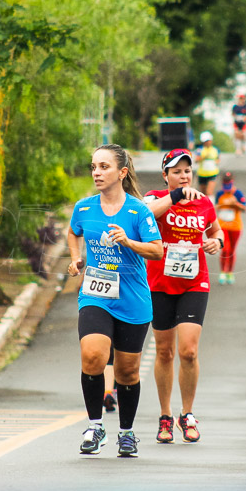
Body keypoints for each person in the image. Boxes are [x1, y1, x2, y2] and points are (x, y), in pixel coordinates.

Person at [67, 144, 163, 458]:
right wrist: (76, 258)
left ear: (121, 172)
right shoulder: (84, 207)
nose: (97, 172)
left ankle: (126, 432)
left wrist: (129, 241)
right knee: (93, 356)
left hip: (132, 299)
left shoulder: (138, 211)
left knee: (127, 372)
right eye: (94, 166)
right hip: (96, 294)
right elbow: (73, 233)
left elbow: (157, 251)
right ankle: (95, 426)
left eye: (104, 167)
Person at [143, 148, 224, 444]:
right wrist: (175, 198)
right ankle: (165, 415)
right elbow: (147, 215)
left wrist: (217, 241)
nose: (183, 176)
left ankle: (186, 414)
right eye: (176, 171)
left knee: (188, 351)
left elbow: (216, 230)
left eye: (187, 171)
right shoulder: (154, 198)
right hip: (160, 283)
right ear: (166, 176)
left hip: (194, 282)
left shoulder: (203, 202)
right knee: (164, 351)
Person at [215, 172, 246, 285]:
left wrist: (236, 204)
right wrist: (221, 206)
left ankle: (230, 272)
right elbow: (216, 207)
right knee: (225, 249)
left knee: (232, 250)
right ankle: (223, 271)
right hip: (223, 226)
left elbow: (245, 208)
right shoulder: (219, 193)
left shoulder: (237, 193)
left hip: (235, 227)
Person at [194, 131, 220, 196]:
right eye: (206, 141)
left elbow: (218, 159)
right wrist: (203, 157)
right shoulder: (200, 149)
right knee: (203, 194)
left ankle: (211, 205)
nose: (207, 142)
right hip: (202, 174)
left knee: (209, 192)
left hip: (212, 174)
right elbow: (196, 160)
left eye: (208, 140)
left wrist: (215, 162)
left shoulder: (215, 149)